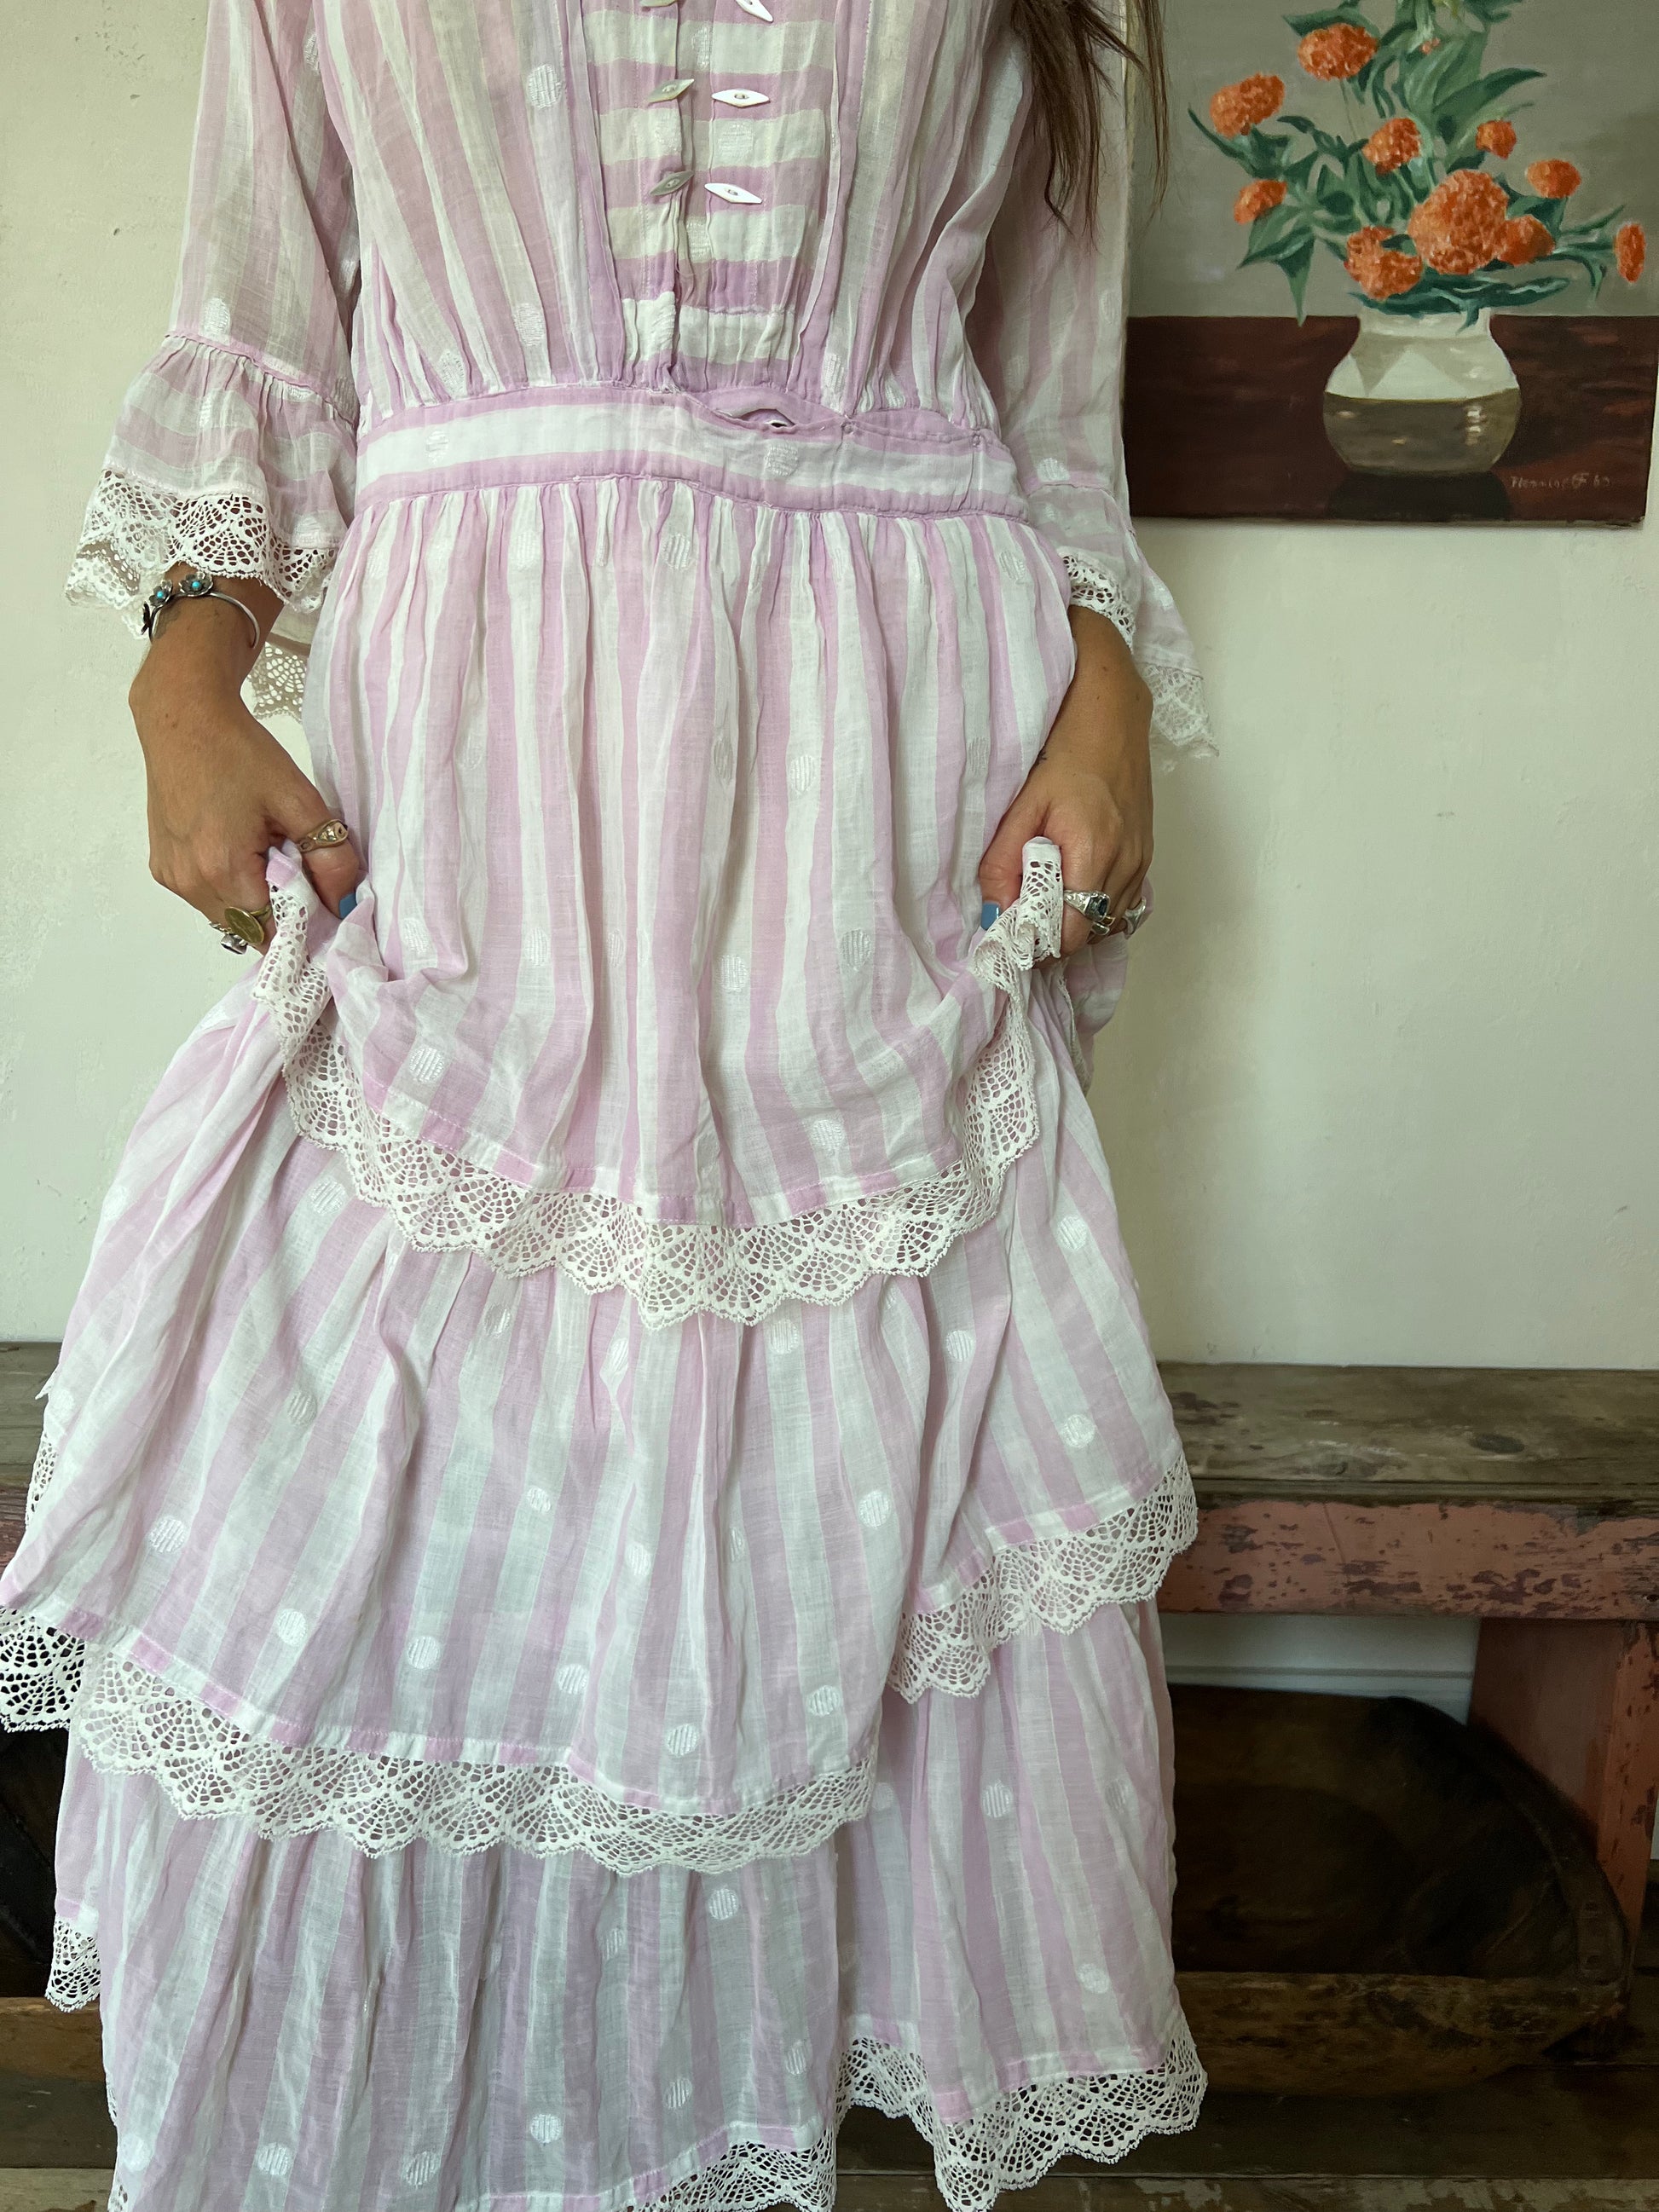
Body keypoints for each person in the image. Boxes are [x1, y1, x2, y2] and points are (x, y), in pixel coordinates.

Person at [0, 1, 1216, 2204]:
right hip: (482, 773)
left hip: (882, 787)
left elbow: (1050, 411)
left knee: (827, 1508)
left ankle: (685, 2127)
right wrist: (184, 679)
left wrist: (1106, 696)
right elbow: (259, 337)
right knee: (347, 1512)